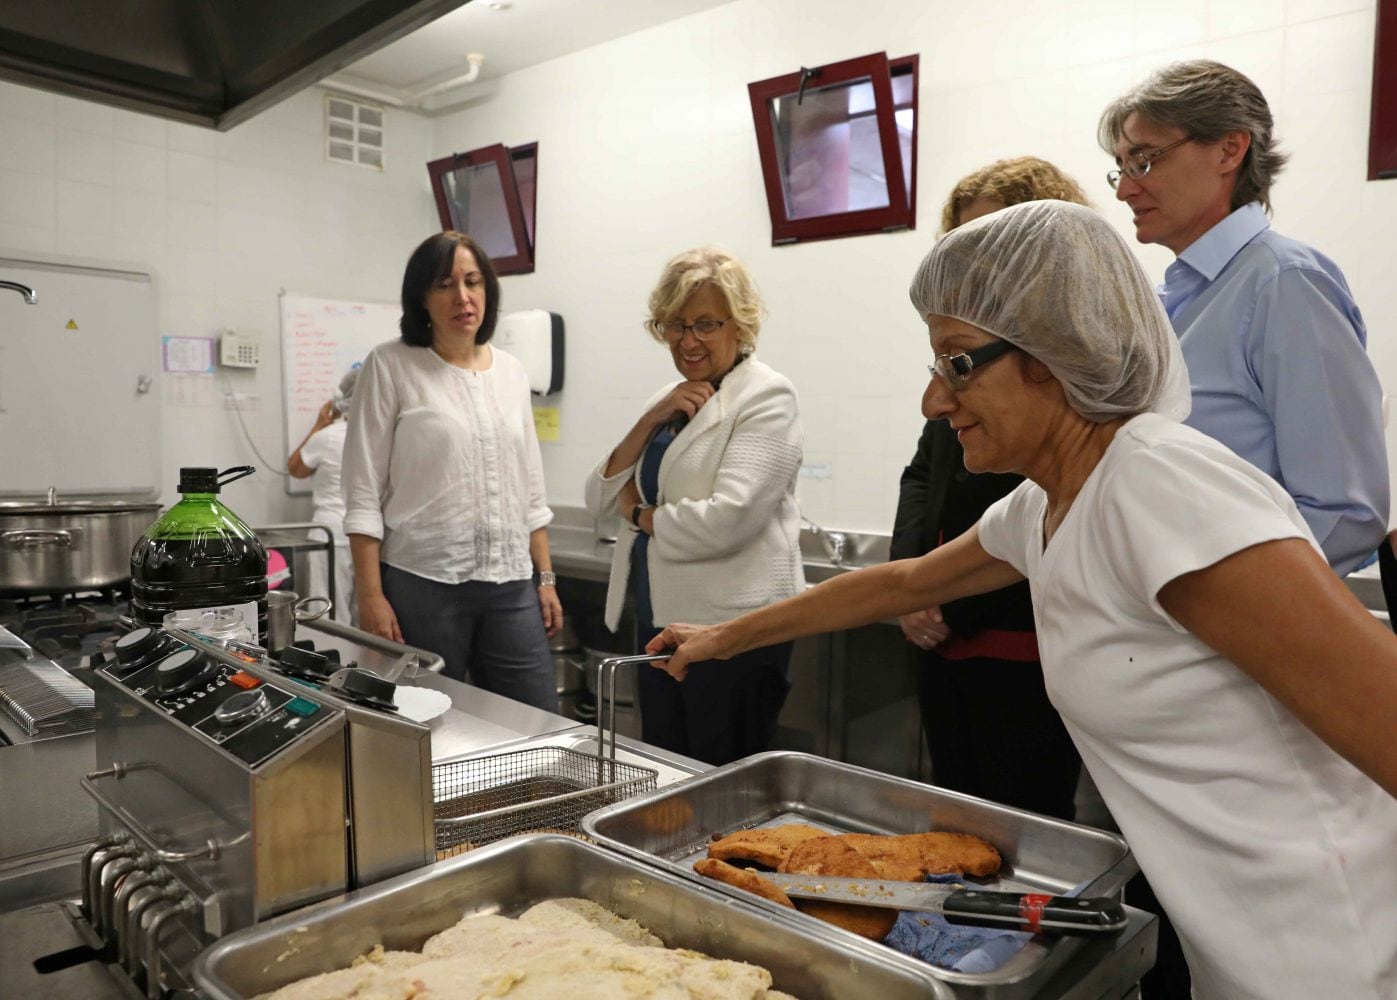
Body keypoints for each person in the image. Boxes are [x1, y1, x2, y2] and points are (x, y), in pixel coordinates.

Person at [646, 201, 1397, 1000]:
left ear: (1055, 351)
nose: (934, 400)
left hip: (1336, 945)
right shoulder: (1050, 501)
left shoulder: (1161, 487)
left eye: (958, 362)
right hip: (1240, 944)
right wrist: (723, 637)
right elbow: (903, 582)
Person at [1099, 59, 1388, 578]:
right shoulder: (1171, 298)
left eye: (1144, 161)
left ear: (1230, 149)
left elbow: (1344, 511)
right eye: (1121, 168)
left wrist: (1226, 614)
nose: (1124, 190)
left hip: (1232, 640)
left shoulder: (1285, 284)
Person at [892, 156, 1088, 821]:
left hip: (1016, 640)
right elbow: (921, 476)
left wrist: (944, 599)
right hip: (941, 634)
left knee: (1021, 825)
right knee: (955, 818)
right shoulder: (963, 363)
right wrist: (911, 578)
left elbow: (1034, 518)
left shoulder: (1060, 374)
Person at [584, 247, 804, 766]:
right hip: (661, 622)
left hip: (732, 630)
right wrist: (649, 419)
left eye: (705, 323)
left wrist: (642, 517)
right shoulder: (672, 397)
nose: (688, 340)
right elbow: (598, 496)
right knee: (664, 774)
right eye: (675, 325)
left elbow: (728, 520)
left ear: (739, 323)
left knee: (722, 782)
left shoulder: (768, 397)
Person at [342, 230, 561, 712]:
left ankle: (529, 792)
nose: (463, 297)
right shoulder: (391, 365)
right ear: (421, 297)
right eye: (444, 285)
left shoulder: (511, 371)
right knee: (427, 726)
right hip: (422, 584)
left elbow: (531, 488)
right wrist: (371, 596)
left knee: (536, 719)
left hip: (510, 581)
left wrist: (545, 580)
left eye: (473, 282)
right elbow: (361, 494)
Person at [287, 366, 360, 624]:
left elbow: (296, 468)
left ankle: (333, 661)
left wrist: (319, 425)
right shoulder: (381, 437)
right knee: (362, 615)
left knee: (326, 612)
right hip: (368, 535)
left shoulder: (328, 437)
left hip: (330, 533)